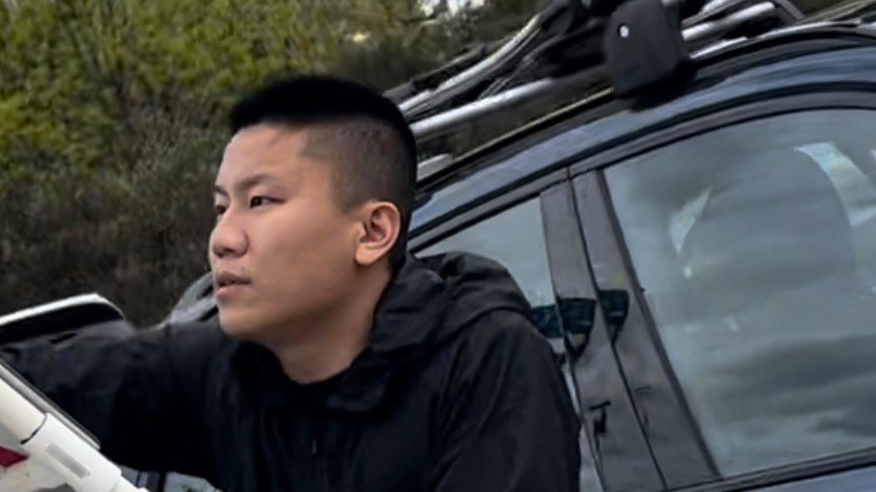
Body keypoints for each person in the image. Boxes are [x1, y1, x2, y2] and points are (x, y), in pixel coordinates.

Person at [1, 76, 581, 491]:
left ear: (373, 231)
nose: (224, 238)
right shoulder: (227, 370)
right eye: (220, 207)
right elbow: (40, 385)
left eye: (260, 201)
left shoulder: (485, 363)